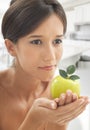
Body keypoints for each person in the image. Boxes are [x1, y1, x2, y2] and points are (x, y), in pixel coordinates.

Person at [0, 0, 90, 130]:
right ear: (11, 47)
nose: (51, 56)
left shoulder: (60, 95)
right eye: (36, 42)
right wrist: (34, 120)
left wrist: (59, 123)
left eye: (57, 41)